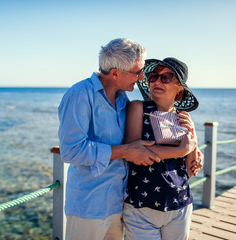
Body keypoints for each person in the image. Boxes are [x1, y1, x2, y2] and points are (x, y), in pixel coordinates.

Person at [57, 39, 199, 240]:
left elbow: (156, 136)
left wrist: (194, 148)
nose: (143, 77)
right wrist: (125, 151)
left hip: (119, 200)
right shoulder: (79, 94)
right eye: (139, 72)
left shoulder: (123, 98)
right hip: (90, 204)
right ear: (115, 73)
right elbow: (71, 151)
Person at [123, 57, 201, 240]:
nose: (157, 81)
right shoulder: (138, 108)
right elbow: (133, 151)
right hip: (141, 206)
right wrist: (180, 151)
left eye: (166, 77)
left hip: (180, 204)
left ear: (179, 89)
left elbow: (191, 168)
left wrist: (193, 136)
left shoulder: (184, 117)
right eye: (153, 76)